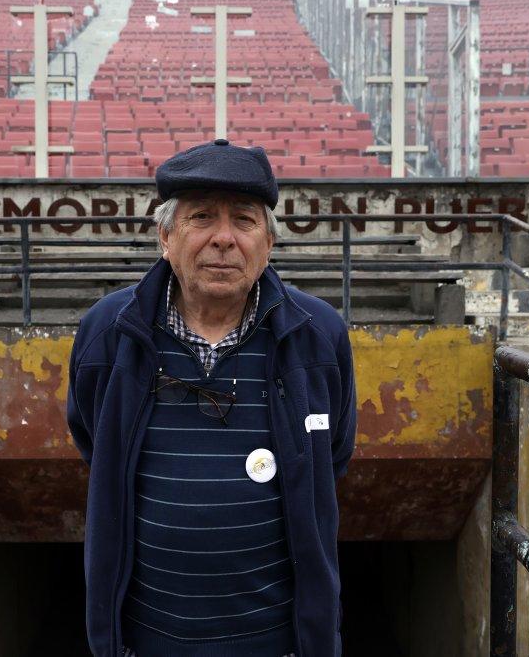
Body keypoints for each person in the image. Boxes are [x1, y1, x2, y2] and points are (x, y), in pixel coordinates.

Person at [66, 139, 357, 657]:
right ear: (165, 237)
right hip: (144, 644)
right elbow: (97, 445)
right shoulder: (106, 335)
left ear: (267, 244)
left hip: (281, 646)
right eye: (201, 217)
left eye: (244, 221)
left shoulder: (320, 337)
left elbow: (329, 459)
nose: (224, 239)